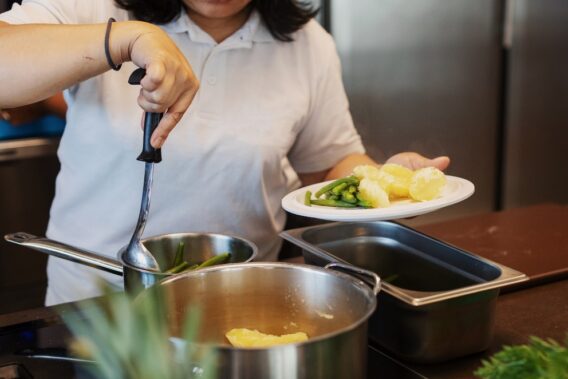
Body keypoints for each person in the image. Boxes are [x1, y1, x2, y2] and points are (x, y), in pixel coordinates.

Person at [0, 0, 449, 306]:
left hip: (240, 305)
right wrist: (127, 38)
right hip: (96, 305)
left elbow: (330, 164)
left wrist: (385, 183)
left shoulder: (309, 46)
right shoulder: (94, 7)